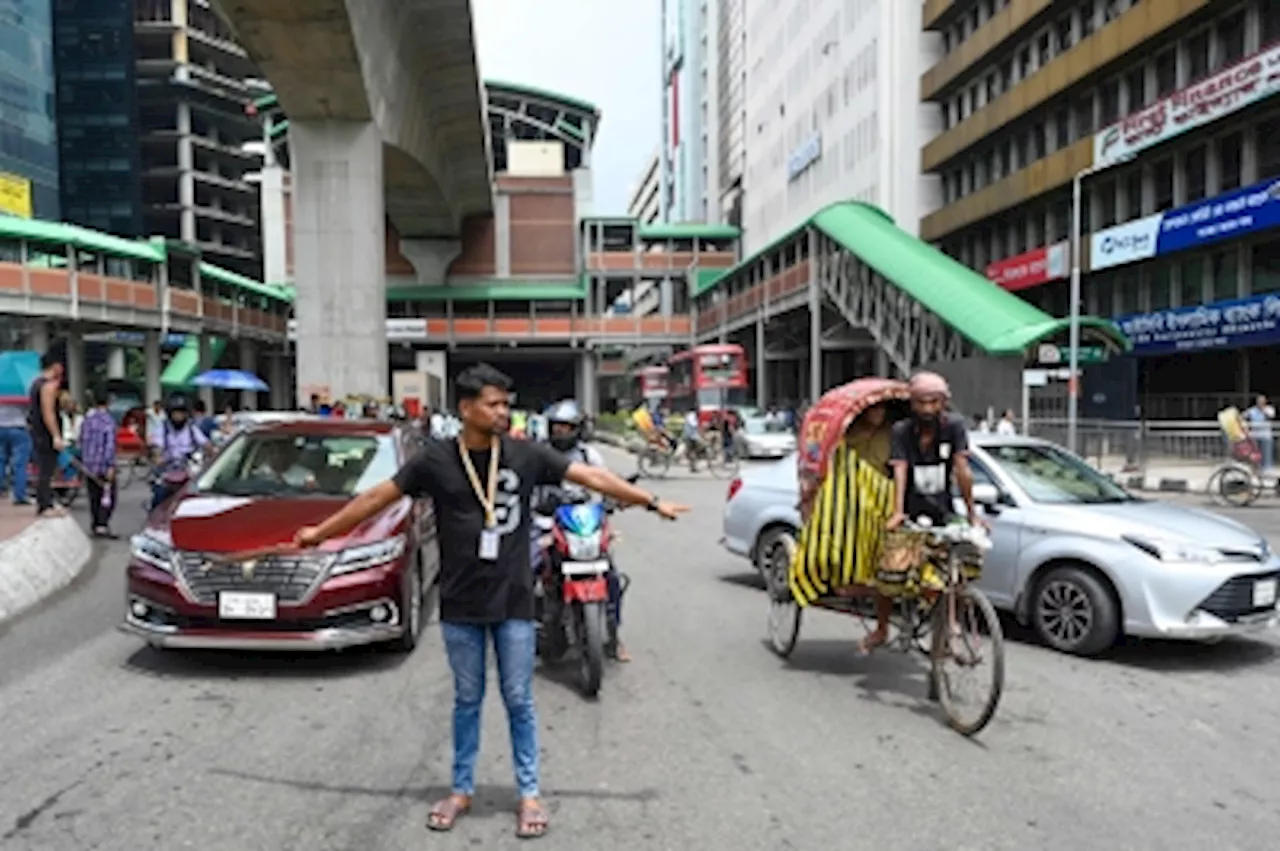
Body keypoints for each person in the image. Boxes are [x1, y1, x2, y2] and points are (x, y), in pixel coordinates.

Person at [291, 363, 689, 839]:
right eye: (493, 403)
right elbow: (376, 498)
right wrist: (320, 533)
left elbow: (590, 478)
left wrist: (650, 501)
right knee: (467, 700)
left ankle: (529, 793)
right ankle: (461, 789)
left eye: (506, 403)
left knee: (519, 700)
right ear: (466, 408)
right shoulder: (434, 461)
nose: (504, 411)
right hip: (459, 604)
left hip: (515, 600)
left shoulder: (524, 453)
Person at [854, 372, 984, 654]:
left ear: (943, 403)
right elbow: (900, 469)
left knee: (963, 564)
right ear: (912, 404)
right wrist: (898, 511)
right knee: (891, 571)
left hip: (942, 509)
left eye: (934, 403)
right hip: (910, 509)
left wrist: (972, 514)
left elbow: (963, 470)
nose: (927, 409)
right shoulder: (901, 431)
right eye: (922, 403)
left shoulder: (955, 427)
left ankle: (951, 619)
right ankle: (882, 628)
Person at [539, 398, 631, 662]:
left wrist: (618, 497)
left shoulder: (589, 456)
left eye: (567, 428)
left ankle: (614, 635)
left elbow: (606, 481)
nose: (560, 432)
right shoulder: (540, 454)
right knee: (529, 572)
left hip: (584, 523)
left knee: (611, 577)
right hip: (546, 523)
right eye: (557, 427)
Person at [148, 392, 209, 510]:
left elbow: (206, 444)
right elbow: (157, 447)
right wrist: (157, 456)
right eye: (176, 413)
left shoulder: (191, 429)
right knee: (159, 498)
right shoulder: (163, 428)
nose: (178, 416)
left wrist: (212, 455)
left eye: (181, 413)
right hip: (167, 474)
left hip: (188, 473)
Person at [28, 353, 66, 517]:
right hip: (46, 433)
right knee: (47, 469)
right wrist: (56, 435)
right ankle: (45, 505)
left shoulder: (35, 383)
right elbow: (48, 412)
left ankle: (46, 501)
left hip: (37, 431)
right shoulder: (48, 386)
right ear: (55, 366)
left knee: (45, 468)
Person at [79, 390, 119, 538]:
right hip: (103, 465)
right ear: (108, 402)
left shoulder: (87, 420)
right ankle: (102, 524)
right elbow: (110, 446)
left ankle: (95, 524)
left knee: (94, 496)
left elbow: (82, 442)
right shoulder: (108, 421)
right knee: (109, 496)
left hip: (89, 465)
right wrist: (111, 465)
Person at [0, 392, 32, 505]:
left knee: (1, 460)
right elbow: (28, 410)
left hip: (0, 428)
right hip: (18, 427)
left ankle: (1, 488)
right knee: (20, 464)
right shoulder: (20, 390)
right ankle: (19, 495)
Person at [1245, 395, 1275, 471]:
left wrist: (1263, 410)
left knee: (1266, 454)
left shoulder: (1269, 409)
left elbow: (1271, 417)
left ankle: (1267, 469)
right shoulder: (1252, 410)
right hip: (1254, 435)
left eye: (1262, 401)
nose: (1260, 402)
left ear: (1265, 401)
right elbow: (1243, 416)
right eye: (1259, 401)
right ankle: (1255, 468)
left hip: (1266, 435)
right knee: (1254, 454)